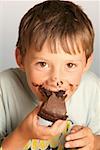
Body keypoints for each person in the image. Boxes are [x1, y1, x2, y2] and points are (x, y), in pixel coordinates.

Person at [0, 0, 100, 149]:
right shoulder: (5, 87)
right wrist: (21, 135)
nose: (56, 79)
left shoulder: (92, 89)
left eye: (70, 65)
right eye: (43, 64)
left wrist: (93, 143)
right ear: (20, 58)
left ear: (86, 62)